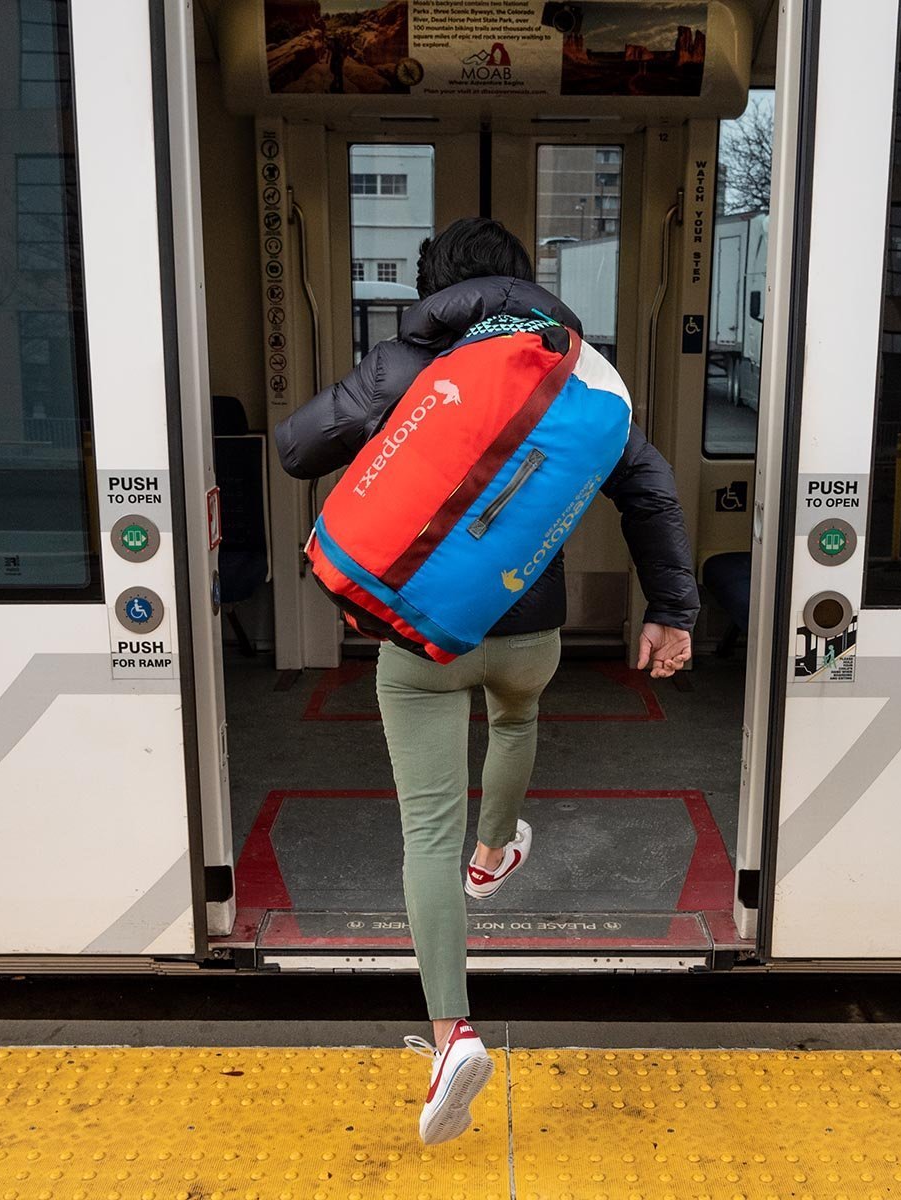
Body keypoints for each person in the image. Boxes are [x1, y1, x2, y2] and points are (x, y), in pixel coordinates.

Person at [275, 217, 699, 1145]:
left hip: (423, 637)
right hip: (532, 627)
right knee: (515, 722)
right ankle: (495, 852)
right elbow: (652, 493)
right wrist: (672, 611)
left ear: (436, 288)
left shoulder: (406, 362)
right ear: (528, 282)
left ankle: (450, 1033)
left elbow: (297, 447)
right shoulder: (586, 372)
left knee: (423, 823)